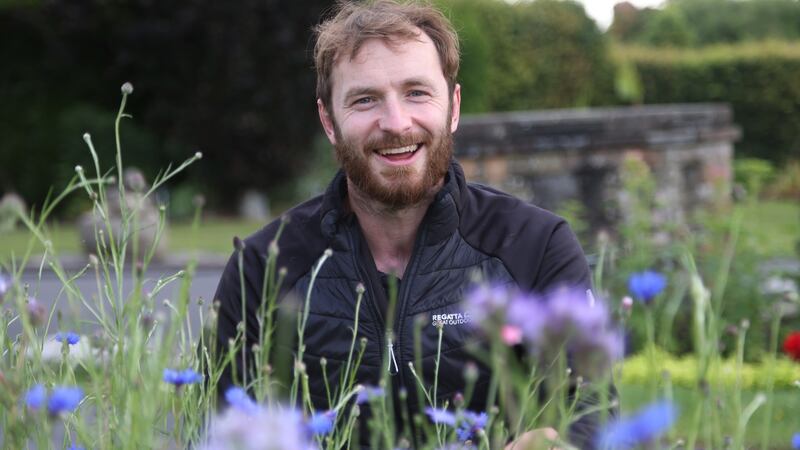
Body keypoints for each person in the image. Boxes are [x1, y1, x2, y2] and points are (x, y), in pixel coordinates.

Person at [211, 1, 610, 448]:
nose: (397, 123)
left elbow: (593, 410)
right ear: (329, 121)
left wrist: (557, 439)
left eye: (417, 93)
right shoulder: (263, 269)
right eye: (365, 99)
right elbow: (221, 427)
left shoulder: (536, 247)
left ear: (453, 107)